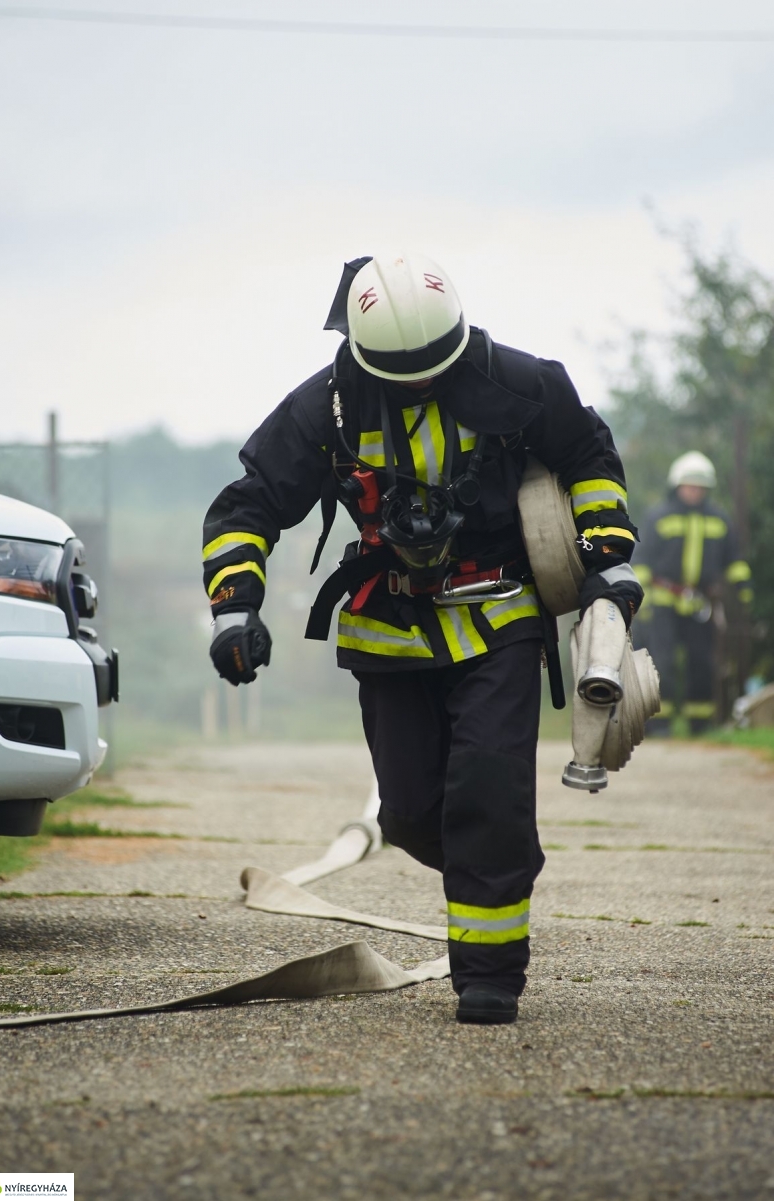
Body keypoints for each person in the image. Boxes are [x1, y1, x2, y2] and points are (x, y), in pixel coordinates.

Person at [202, 253, 643, 1024]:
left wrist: (607, 558)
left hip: (498, 616)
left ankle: (491, 974)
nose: (418, 384)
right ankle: (493, 859)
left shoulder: (522, 382)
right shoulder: (328, 408)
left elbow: (588, 458)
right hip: (390, 628)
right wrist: (235, 605)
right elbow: (249, 506)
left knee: (489, 789)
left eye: (430, 371)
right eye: (399, 374)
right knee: (410, 809)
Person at [633, 452, 753, 736]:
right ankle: (658, 724)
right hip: (662, 603)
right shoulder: (658, 517)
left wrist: (743, 589)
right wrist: (640, 600)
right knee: (661, 663)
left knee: (702, 662)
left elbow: (734, 560)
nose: (694, 491)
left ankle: (700, 725)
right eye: (689, 485)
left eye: (700, 487)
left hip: (700, 604)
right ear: (677, 486)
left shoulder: (719, 519)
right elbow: (641, 562)